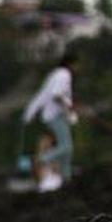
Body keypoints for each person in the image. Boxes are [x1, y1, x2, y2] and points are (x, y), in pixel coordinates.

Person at [24, 54, 79, 191]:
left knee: (67, 149)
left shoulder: (55, 75)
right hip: (56, 115)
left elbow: (43, 94)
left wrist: (30, 112)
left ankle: (66, 179)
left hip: (54, 115)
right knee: (66, 146)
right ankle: (42, 160)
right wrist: (69, 107)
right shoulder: (64, 74)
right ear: (71, 64)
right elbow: (56, 95)